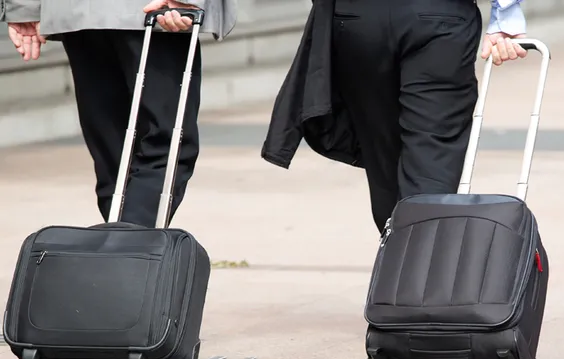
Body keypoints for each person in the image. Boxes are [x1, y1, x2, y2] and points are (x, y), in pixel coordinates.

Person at [262, 0, 528, 233]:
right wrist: (505, 16)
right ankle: (413, 261)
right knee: (430, 161)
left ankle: (401, 258)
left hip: (358, 19)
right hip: (439, 17)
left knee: (385, 162)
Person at [2, 0, 237, 227]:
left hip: (76, 13)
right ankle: (126, 246)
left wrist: (24, 8)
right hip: (150, 11)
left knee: (114, 152)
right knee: (165, 144)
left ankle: (119, 243)